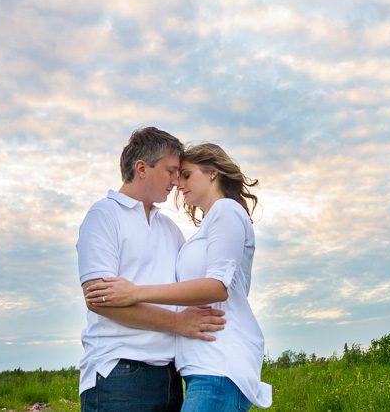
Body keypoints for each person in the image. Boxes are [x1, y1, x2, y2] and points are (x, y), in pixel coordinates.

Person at [85, 143, 272, 411]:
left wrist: (136, 292)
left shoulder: (226, 210)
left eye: (185, 174)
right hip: (196, 366)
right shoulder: (199, 230)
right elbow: (97, 298)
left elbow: (217, 287)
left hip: (219, 362)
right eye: (175, 173)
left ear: (212, 173)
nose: (178, 183)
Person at [76, 127, 227, 412]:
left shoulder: (169, 229)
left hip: (170, 375)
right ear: (142, 168)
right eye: (170, 171)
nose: (176, 182)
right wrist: (178, 323)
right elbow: (98, 300)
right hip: (119, 373)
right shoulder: (103, 215)